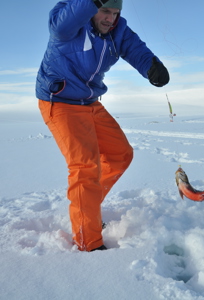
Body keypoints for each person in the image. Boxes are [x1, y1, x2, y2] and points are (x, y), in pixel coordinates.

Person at [36, 0, 169, 252]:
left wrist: (151, 66)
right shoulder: (69, 27)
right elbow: (60, 23)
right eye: (105, 11)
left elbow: (135, 48)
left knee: (120, 154)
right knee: (85, 167)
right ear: (92, 9)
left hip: (89, 102)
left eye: (116, 12)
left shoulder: (118, 30)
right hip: (60, 102)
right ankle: (89, 242)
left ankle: (89, 211)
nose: (111, 18)